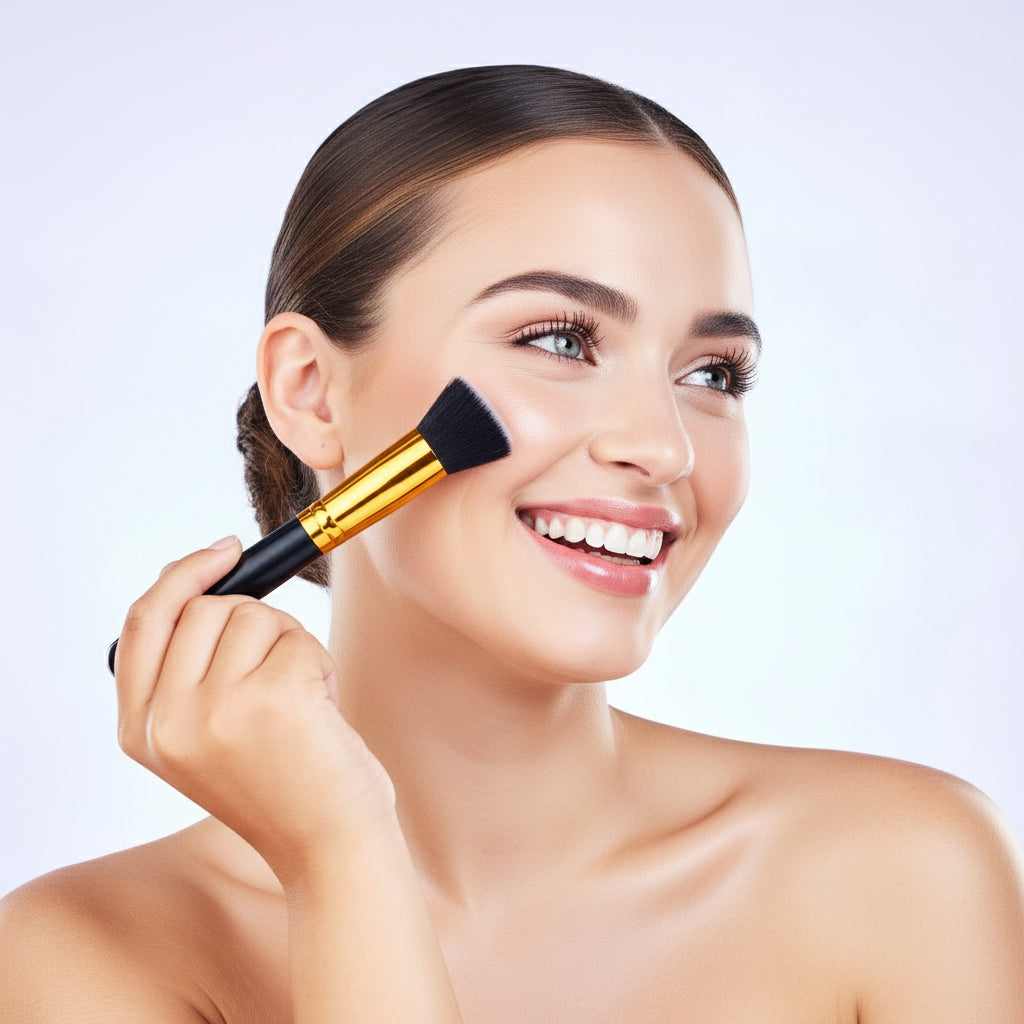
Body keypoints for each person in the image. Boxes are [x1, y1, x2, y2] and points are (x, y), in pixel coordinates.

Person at [1, 65, 1021, 1023]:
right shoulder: (92, 951)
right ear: (311, 391)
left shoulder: (903, 871)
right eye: (558, 340)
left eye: (712, 372)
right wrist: (343, 857)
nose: (661, 444)